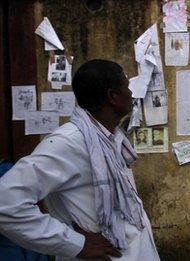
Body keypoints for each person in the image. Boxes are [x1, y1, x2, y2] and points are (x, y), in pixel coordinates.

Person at [0, 60, 160, 260]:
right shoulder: (69, 142)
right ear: (113, 97)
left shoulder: (109, 138)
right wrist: (76, 244)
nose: (131, 93)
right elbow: (5, 202)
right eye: (126, 87)